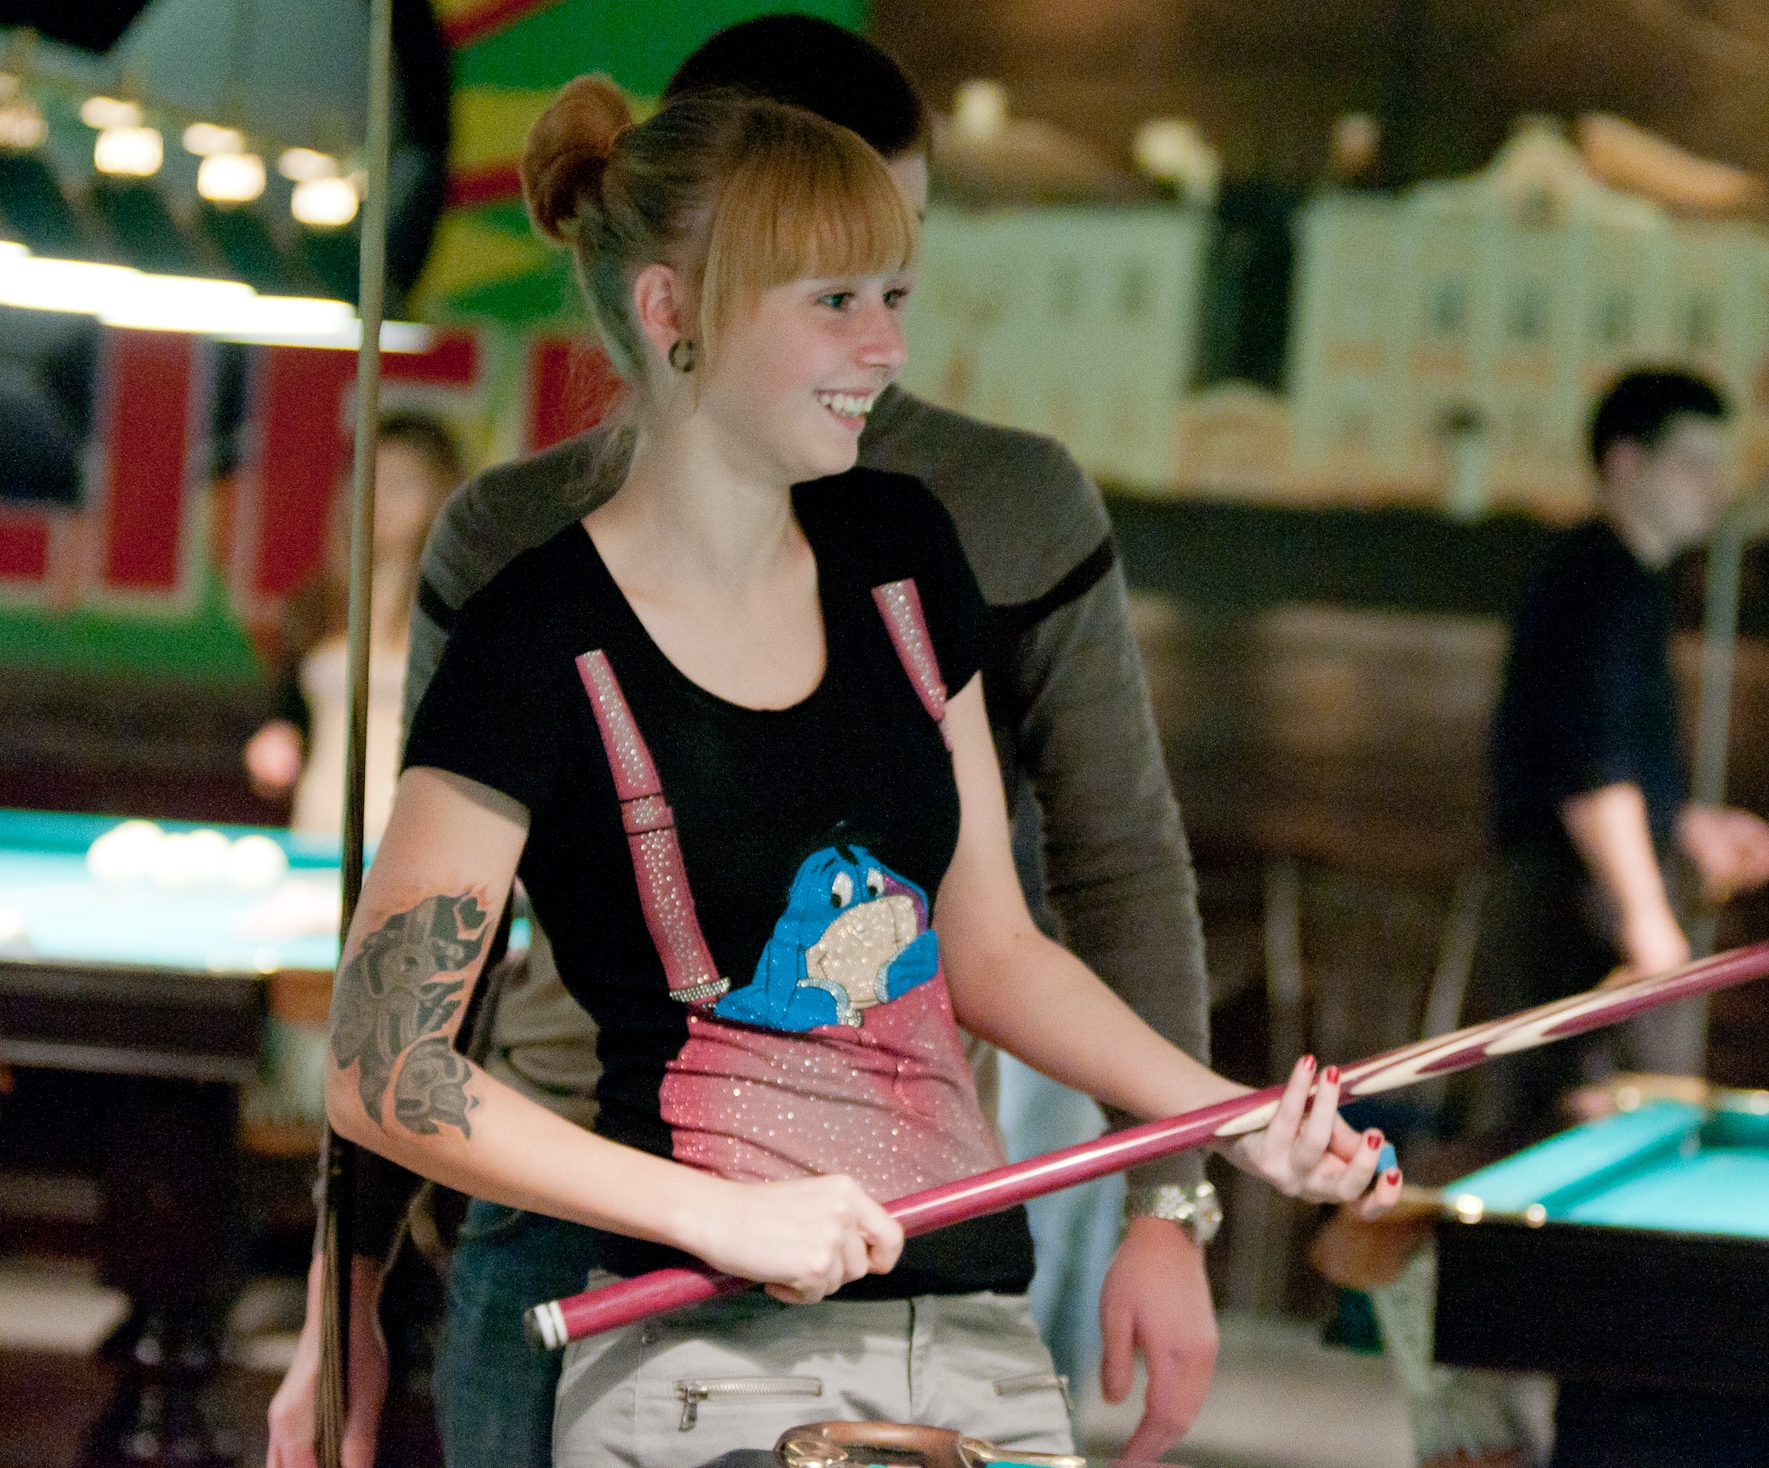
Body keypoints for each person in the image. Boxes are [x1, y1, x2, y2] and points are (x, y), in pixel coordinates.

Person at [305, 77, 1399, 1468]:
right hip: (701, 1362)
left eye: (895, 296)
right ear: (671, 308)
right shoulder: (533, 633)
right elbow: (379, 1060)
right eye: (835, 302)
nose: (887, 347)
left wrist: (1228, 1123)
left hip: (981, 1340)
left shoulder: (902, 551)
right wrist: (715, 1213)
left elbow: (992, 951)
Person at [1481, 369, 1769, 1116]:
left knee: (1615, 1111)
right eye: (1695, 465)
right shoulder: (1601, 584)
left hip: (1588, 889)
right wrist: (1645, 914)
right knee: (1611, 1116)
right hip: (1578, 902)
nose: (1717, 488)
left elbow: (1604, 751)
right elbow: (1591, 771)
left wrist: (1685, 822)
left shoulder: (1617, 578)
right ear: (1626, 464)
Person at [245, 414, 468, 839]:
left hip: (420, 843)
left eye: (402, 484)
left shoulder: (463, 612)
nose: (380, 498)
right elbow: (287, 716)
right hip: (318, 832)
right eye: (368, 480)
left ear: (441, 495)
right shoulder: (314, 604)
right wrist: (276, 741)